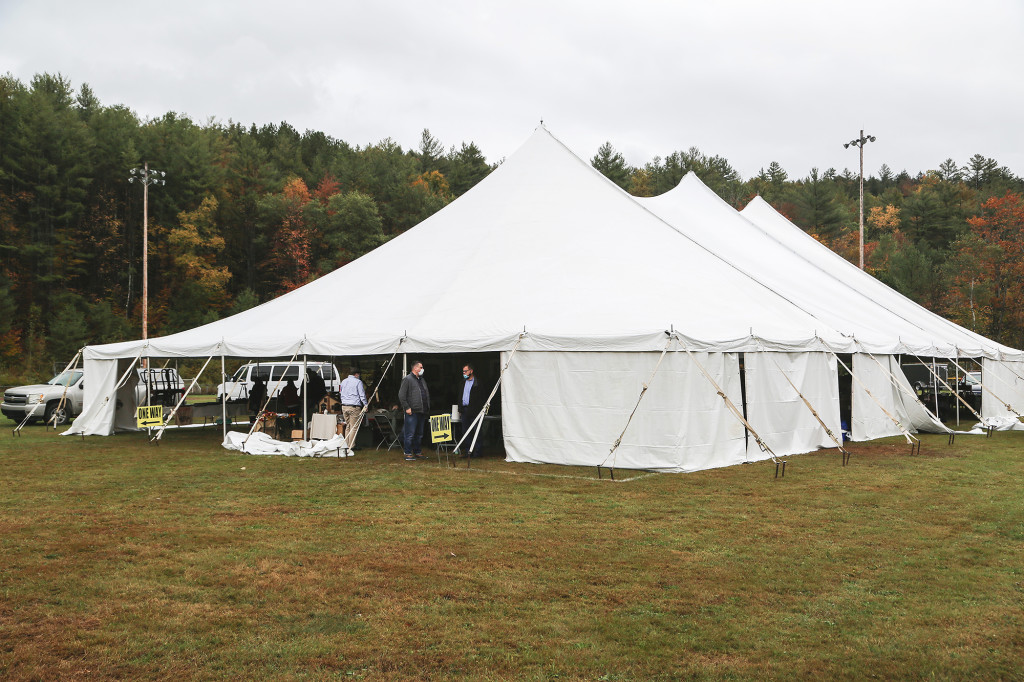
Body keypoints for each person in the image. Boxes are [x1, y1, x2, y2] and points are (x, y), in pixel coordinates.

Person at [398, 361, 430, 461]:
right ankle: (407, 453)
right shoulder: (407, 379)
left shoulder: (421, 380)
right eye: (421, 367)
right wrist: (407, 407)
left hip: (421, 411)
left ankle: (417, 452)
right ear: (415, 368)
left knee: (419, 434)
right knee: (410, 433)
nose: (422, 369)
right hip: (412, 411)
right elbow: (401, 395)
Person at [457, 363, 486, 457]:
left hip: (475, 411)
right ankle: (467, 452)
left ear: (471, 371)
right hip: (464, 410)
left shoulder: (478, 383)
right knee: (466, 432)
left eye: (465, 371)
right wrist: (460, 409)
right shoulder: (462, 382)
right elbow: (460, 396)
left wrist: (480, 410)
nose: (464, 373)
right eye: (463, 371)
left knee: (477, 431)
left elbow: (482, 398)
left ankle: (477, 452)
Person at [339, 367, 368, 449]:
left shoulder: (343, 381)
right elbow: (362, 395)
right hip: (354, 406)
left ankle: (346, 444)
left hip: (344, 406)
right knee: (354, 427)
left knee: (348, 426)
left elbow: (341, 393)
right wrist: (365, 405)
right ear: (356, 374)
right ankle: (351, 446)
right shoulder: (358, 382)